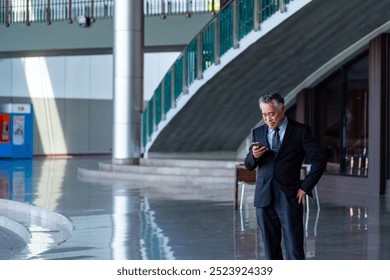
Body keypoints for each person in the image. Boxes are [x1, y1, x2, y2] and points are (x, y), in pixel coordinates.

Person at [244, 92, 326, 260]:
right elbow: (249, 165)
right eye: (264, 115)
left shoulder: (300, 131)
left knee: (294, 249)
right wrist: (254, 156)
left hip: (289, 196)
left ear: (283, 110)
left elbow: (320, 159)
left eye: (272, 114)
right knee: (270, 250)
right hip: (263, 197)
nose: (268, 119)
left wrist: (305, 186)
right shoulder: (258, 132)